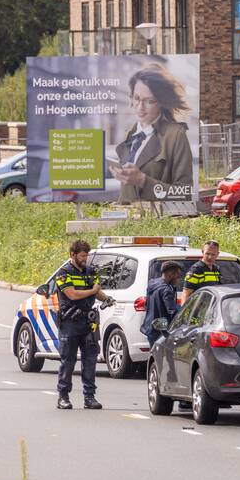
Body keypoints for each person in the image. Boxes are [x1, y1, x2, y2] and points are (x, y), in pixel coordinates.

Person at [111, 64, 194, 203]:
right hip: (127, 221)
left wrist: (143, 180)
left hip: (157, 221)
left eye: (149, 101)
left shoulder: (175, 135)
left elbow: (184, 194)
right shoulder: (129, 134)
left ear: (161, 103)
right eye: (137, 98)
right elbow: (127, 193)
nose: (140, 107)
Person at [54, 239, 114, 410]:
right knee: (68, 361)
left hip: (88, 323)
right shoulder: (63, 273)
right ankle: (63, 397)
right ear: (72, 255)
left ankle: (89, 397)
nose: (85, 258)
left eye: (86, 255)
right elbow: (72, 294)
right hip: (70, 323)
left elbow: (96, 292)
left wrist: (106, 298)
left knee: (90, 361)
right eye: (82, 255)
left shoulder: (90, 271)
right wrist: (93, 291)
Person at [142, 261, 183, 346]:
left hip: (150, 327)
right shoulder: (166, 290)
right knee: (162, 357)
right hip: (161, 331)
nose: (179, 279)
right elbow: (172, 311)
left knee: (154, 355)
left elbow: (147, 305)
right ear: (171, 274)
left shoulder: (152, 283)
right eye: (178, 276)